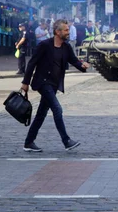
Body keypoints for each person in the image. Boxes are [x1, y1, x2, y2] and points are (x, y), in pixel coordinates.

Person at [21, 19, 90, 152]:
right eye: (65, 30)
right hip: (43, 82)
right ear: (57, 32)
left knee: (41, 114)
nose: (68, 32)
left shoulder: (66, 47)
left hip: (53, 84)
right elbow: (32, 63)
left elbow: (74, 61)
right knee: (57, 109)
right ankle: (66, 141)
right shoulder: (45, 45)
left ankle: (28, 142)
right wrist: (25, 82)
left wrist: (83, 66)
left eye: (68, 30)